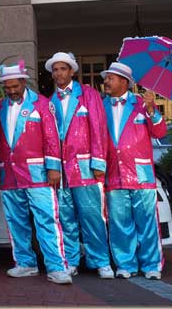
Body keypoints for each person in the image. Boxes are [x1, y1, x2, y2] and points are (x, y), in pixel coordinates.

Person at [0, 61, 72, 285]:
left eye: (15, 86)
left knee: (47, 220)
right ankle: (25, 263)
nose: (11, 91)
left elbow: (52, 138)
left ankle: (57, 267)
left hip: (38, 174)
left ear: (24, 83)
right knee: (15, 221)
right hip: (10, 174)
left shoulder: (42, 104)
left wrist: (54, 168)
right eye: (7, 87)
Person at [45, 52, 114, 279]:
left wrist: (98, 163)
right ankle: (71, 260)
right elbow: (51, 138)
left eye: (63, 69)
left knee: (92, 216)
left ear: (72, 71)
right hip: (63, 172)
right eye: (55, 70)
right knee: (66, 218)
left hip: (85, 169)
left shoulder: (89, 95)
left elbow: (98, 128)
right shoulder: (51, 101)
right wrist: (52, 167)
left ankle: (101, 261)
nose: (58, 73)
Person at [101, 62, 166, 280]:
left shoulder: (141, 104)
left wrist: (151, 109)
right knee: (119, 223)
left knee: (147, 222)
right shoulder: (101, 107)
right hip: (114, 174)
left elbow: (159, 131)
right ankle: (125, 264)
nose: (106, 81)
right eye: (106, 78)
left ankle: (152, 265)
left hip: (141, 175)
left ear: (124, 82)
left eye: (110, 78)